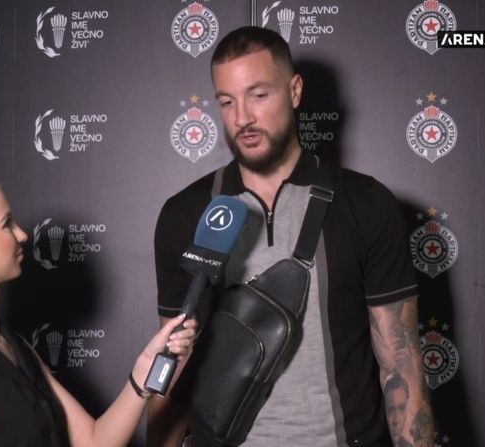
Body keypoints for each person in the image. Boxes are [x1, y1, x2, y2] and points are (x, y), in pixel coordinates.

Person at [148, 26, 435, 447]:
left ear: (295, 91)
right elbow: (172, 363)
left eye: (259, 95)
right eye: (227, 101)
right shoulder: (185, 213)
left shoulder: (366, 203)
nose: (242, 117)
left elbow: (401, 365)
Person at [0, 168, 197, 447]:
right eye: (6, 224)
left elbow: (93, 441)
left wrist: (144, 370)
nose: (22, 234)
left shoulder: (13, 345)